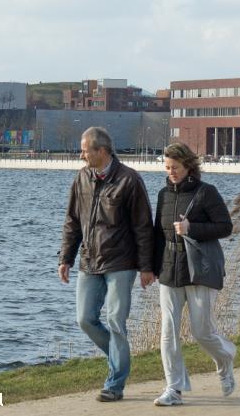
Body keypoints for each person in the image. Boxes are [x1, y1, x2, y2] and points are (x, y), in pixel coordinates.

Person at [58, 126, 155, 402]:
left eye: (85, 150)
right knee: (85, 320)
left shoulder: (129, 180)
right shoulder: (81, 178)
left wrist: (146, 267)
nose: (81, 155)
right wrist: (66, 258)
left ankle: (115, 384)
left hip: (121, 263)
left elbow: (143, 227)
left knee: (115, 321)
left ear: (101, 151)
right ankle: (120, 356)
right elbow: (72, 222)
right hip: (89, 262)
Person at [152, 142, 236, 406]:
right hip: (169, 269)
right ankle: (174, 388)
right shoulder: (163, 194)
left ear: (189, 166)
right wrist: (150, 268)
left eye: (175, 167)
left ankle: (225, 359)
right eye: (167, 168)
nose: (171, 172)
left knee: (202, 332)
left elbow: (225, 227)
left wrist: (192, 228)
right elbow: (157, 234)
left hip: (198, 268)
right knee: (168, 331)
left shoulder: (206, 192)